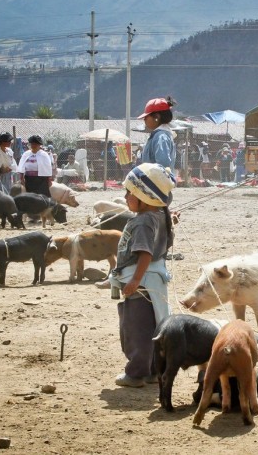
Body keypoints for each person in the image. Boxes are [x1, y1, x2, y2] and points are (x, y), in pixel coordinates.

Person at [109, 163, 175, 387]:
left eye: (130, 193)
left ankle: (136, 374)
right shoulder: (160, 214)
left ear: (145, 199)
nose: (126, 196)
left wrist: (135, 280)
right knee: (156, 324)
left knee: (137, 329)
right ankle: (154, 371)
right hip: (154, 282)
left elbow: (144, 253)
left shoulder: (142, 222)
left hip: (142, 283)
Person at [138, 97, 177, 170]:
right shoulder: (160, 135)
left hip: (156, 180)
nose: (144, 119)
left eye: (146, 116)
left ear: (156, 117)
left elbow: (163, 164)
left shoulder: (161, 136)